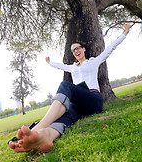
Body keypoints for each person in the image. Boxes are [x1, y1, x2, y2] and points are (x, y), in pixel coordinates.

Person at [9, 23, 130, 153]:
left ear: (84, 49)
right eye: (73, 50)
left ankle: (36, 129)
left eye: (78, 48)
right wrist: (50, 63)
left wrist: (125, 32)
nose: (76, 51)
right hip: (78, 104)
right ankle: (45, 136)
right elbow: (60, 66)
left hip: (93, 99)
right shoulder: (72, 68)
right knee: (65, 116)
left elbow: (110, 48)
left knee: (65, 85)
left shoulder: (93, 62)